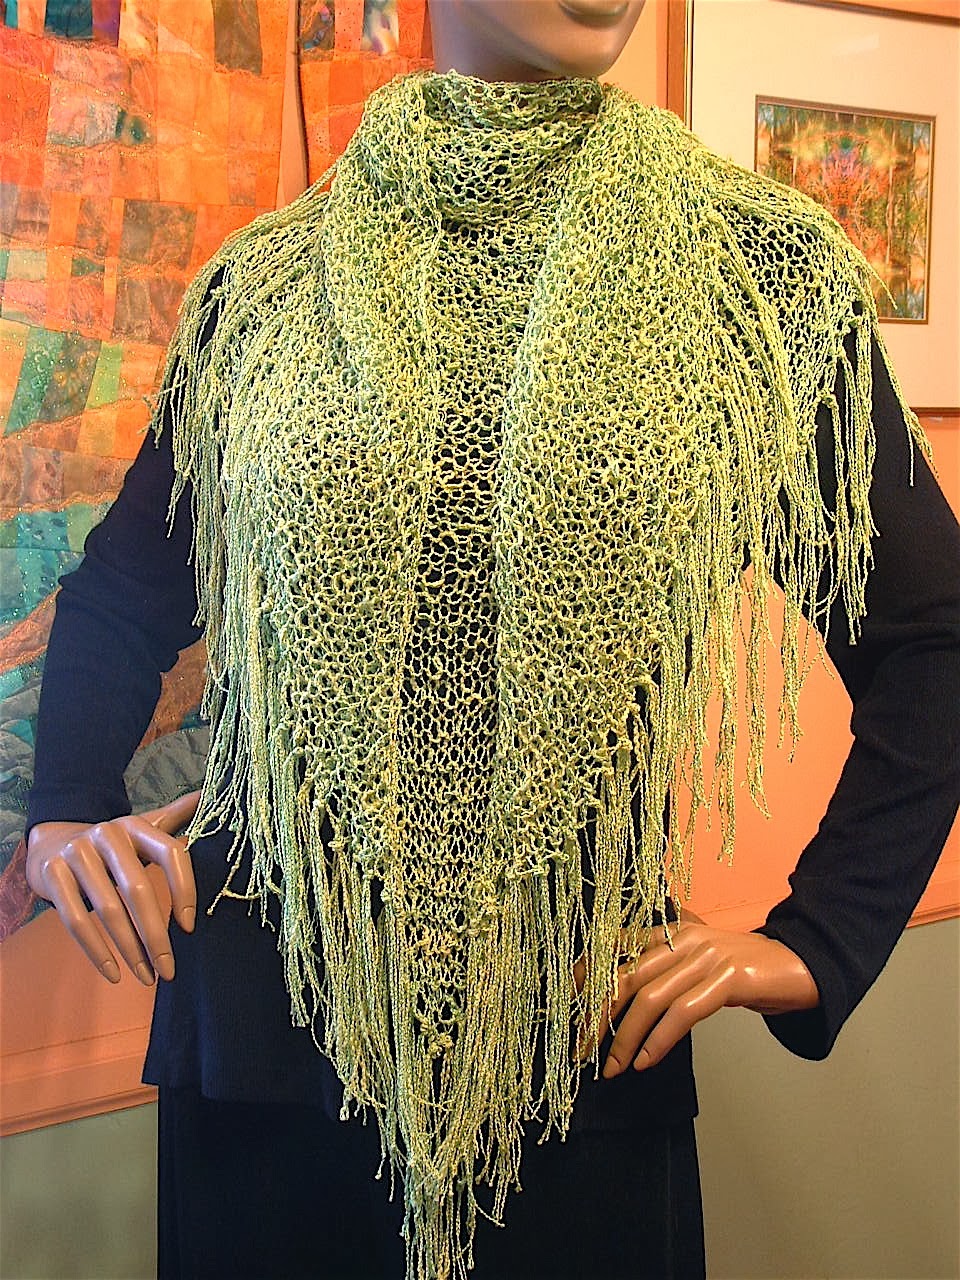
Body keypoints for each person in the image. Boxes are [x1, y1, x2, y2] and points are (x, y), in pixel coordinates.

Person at [23, 2, 960, 1278]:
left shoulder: (754, 283)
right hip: (262, 1037)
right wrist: (64, 811)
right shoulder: (266, 289)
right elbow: (127, 592)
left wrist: (820, 933)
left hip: (578, 1037)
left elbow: (931, 635)